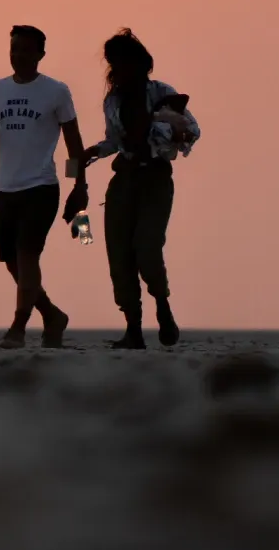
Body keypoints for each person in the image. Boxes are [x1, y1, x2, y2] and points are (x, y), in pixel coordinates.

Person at [0, 25, 90, 348]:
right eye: (14, 49)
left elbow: (74, 141)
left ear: (40, 55)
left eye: (26, 50)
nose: (18, 55)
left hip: (41, 188)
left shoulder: (56, 92)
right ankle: (52, 315)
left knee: (28, 257)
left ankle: (18, 327)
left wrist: (79, 185)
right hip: (5, 189)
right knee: (11, 260)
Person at [76, 28, 198, 349]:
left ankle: (163, 306)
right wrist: (95, 152)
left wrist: (172, 132)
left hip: (155, 179)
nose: (119, 68)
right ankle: (133, 328)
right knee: (119, 254)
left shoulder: (162, 92)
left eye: (124, 61)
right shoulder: (113, 100)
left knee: (147, 248)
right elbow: (114, 140)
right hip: (124, 179)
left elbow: (191, 129)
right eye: (114, 62)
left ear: (141, 63)